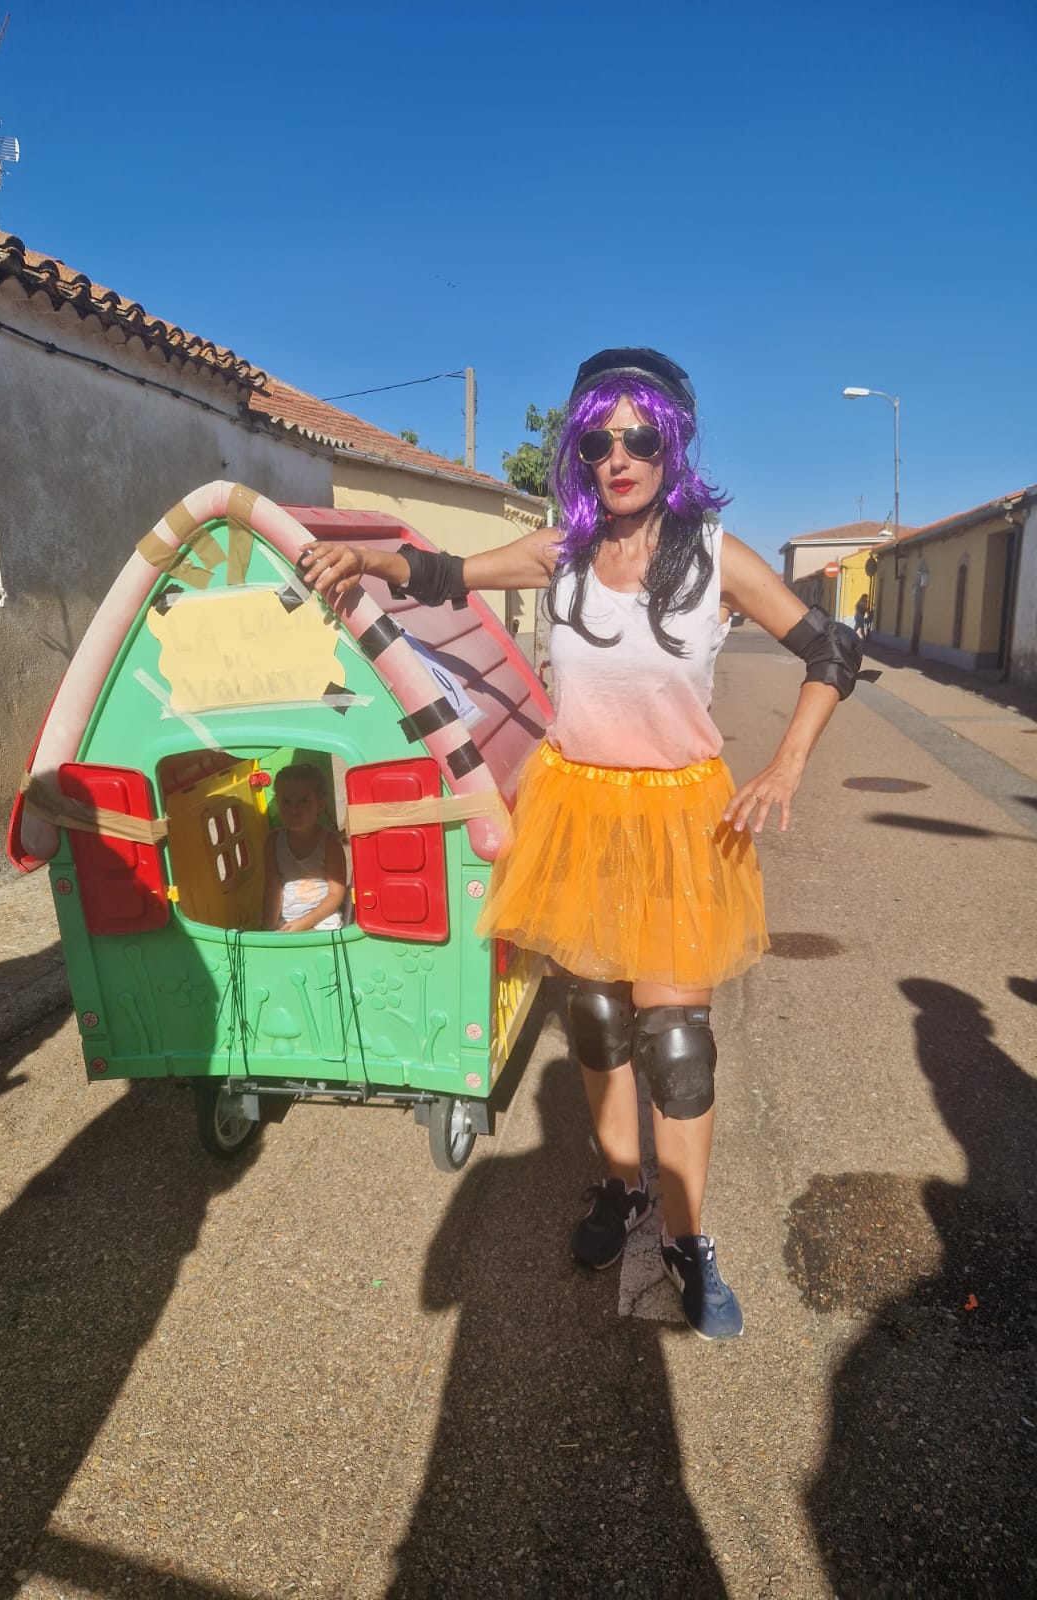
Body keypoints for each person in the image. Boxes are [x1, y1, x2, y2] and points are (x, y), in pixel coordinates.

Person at [298, 347, 860, 1339]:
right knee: (597, 1015)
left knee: (676, 1043)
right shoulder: (559, 552)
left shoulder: (715, 554)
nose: (618, 453)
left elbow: (831, 649)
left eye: (639, 434)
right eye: (597, 438)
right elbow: (438, 574)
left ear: (670, 442)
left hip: (683, 815)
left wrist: (786, 767)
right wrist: (364, 561)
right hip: (581, 805)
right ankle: (622, 1190)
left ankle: (688, 1239)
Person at [261, 764, 347, 933]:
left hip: (322, 921)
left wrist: (302, 924)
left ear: (320, 804)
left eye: (303, 801)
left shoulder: (330, 842)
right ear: (278, 802)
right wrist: (268, 930)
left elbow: (336, 894)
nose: (294, 810)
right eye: (286, 801)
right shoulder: (272, 840)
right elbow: (273, 886)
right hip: (286, 922)